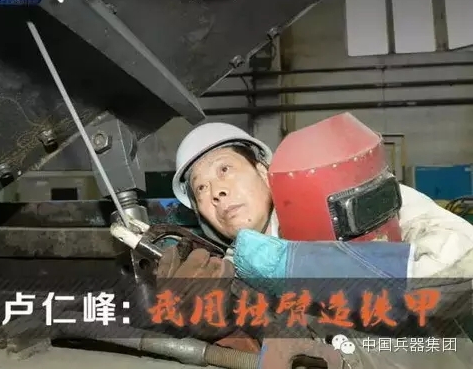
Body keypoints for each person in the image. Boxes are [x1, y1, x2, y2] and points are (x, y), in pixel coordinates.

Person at [157, 113, 473, 367]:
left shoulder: (339, 198)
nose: (216, 191)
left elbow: (461, 265)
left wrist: (299, 266)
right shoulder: (227, 276)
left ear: (264, 171)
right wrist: (209, 322)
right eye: (201, 188)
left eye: (225, 169)